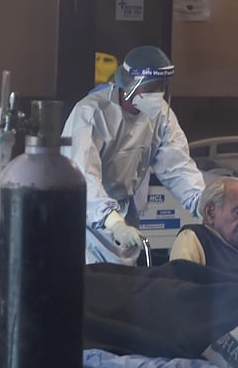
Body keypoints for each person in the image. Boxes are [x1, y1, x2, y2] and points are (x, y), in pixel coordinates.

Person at [62, 45, 205, 265]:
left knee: (123, 287)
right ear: (128, 83)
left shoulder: (160, 115)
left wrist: (204, 203)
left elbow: (178, 167)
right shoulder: (91, 113)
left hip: (124, 215)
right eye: (152, 87)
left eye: (162, 87)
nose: (159, 94)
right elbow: (83, 179)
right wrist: (112, 222)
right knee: (90, 286)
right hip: (85, 219)